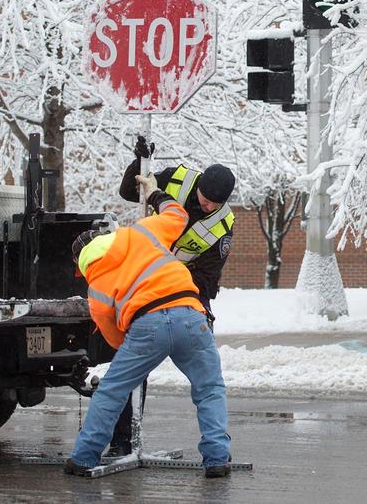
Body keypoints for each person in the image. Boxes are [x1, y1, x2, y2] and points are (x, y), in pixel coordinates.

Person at [65, 174, 231, 478]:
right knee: (209, 389)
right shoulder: (141, 232)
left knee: (112, 391)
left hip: (146, 326)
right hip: (191, 314)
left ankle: (83, 458)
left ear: (83, 264)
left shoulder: (96, 287)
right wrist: (154, 193)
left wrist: (139, 349)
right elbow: (177, 216)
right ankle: (217, 459)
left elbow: (115, 338)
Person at [118, 136, 236, 321]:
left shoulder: (223, 226)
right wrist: (139, 163)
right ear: (199, 187)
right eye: (206, 200)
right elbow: (129, 192)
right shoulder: (175, 179)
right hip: (144, 271)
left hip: (185, 285)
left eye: (217, 204)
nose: (210, 207)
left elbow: (206, 277)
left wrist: (170, 287)